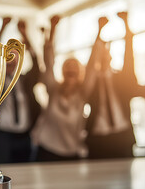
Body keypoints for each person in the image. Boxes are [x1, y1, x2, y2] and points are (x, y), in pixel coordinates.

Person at [32, 15, 102, 161]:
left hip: (72, 152)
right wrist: (53, 30)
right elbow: (49, 63)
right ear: (63, 71)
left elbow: (92, 67)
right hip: (47, 149)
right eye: (67, 67)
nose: (71, 70)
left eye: (74, 67)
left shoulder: (83, 93)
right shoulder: (53, 89)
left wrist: (99, 30)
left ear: (79, 73)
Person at [85, 12, 138, 159]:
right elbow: (90, 65)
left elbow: (129, 59)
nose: (103, 56)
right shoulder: (91, 81)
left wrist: (126, 26)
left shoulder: (120, 79)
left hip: (122, 136)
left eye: (106, 53)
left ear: (111, 56)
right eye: (100, 54)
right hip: (98, 138)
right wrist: (99, 31)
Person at [0, 18, 41, 163]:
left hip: (24, 135)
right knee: (4, 169)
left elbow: (37, 67)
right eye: (9, 57)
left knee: (25, 169)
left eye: (15, 58)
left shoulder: (24, 80)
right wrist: (2, 27)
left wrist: (25, 35)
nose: (11, 61)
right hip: (4, 135)